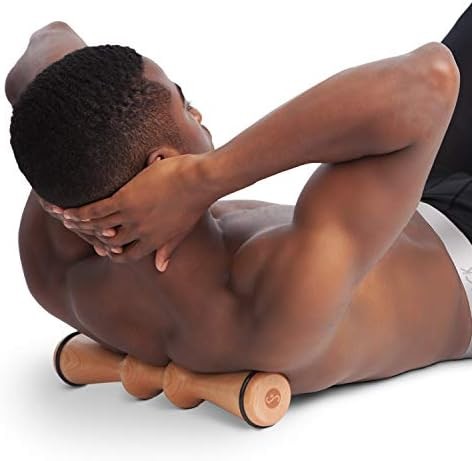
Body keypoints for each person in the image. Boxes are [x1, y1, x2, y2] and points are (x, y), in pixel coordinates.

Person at [6, 6, 471, 397]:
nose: (196, 112)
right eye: (183, 103)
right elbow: (431, 78)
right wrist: (206, 176)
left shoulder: (55, 269)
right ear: (162, 165)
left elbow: (50, 42)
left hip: (424, 195)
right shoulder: (271, 294)